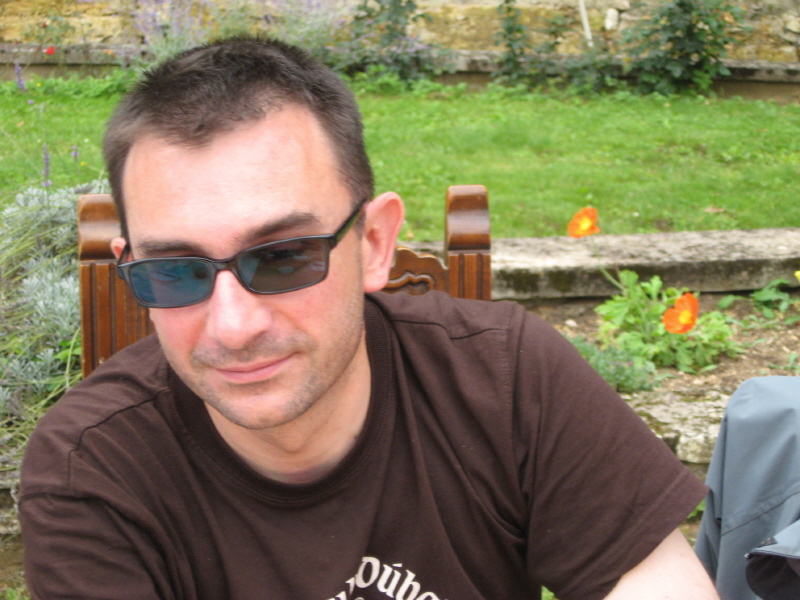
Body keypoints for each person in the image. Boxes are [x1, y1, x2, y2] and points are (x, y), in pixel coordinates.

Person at [19, 36, 717, 600]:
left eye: (283, 257)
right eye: (175, 271)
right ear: (129, 266)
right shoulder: (92, 472)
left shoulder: (506, 381)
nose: (233, 326)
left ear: (375, 243)